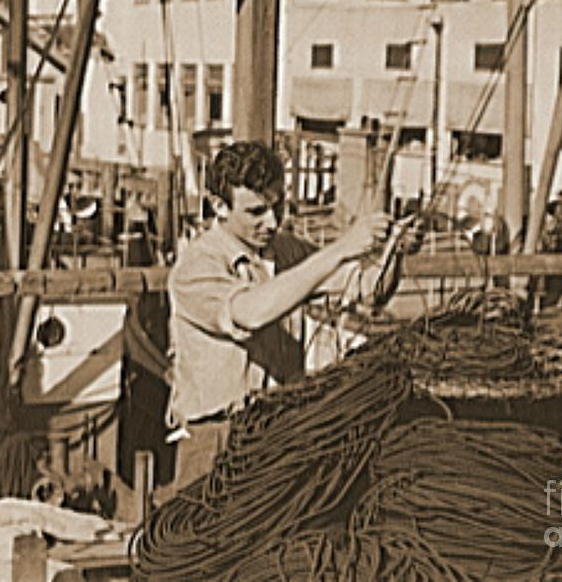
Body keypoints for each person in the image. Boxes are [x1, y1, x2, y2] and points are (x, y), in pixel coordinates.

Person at [165, 140, 392, 489]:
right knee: (205, 539)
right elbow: (251, 313)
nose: (272, 222)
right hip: (216, 438)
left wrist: (394, 253)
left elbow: (366, 288)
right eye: (256, 212)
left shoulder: (287, 250)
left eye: (278, 205)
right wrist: (343, 247)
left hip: (281, 428)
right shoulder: (196, 266)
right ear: (218, 206)